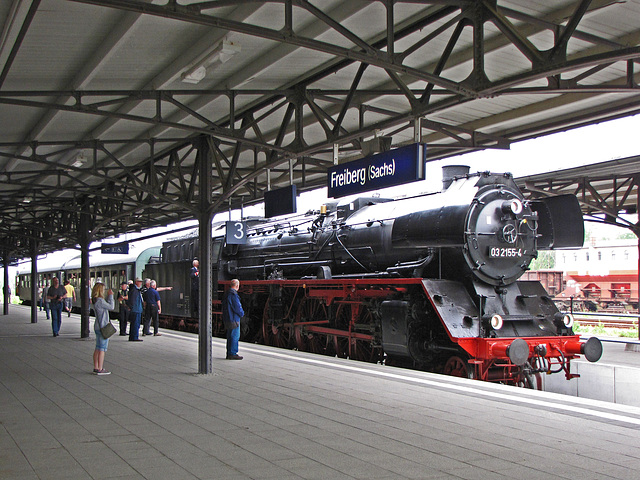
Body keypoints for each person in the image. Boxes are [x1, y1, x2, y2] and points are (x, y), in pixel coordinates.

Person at [92, 282, 115, 375]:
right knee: (102, 348)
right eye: (103, 289)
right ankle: (100, 368)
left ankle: (96, 367)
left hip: (97, 326)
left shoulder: (95, 300)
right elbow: (111, 307)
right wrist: (110, 297)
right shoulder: (100, 301)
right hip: (103, 327)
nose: (105, 291)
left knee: (97, 348)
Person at [222, 279, 244, 360]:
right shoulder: (233, 295)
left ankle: (229, 353)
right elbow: (237, 307)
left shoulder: (227, 293)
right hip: (234, 318)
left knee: (230, 335)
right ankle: (233, 353)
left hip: (228, 317)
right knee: (235, 336)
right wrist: (242, 313)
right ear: (237, 286)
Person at [127, 277, 144, 342]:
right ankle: (134, 337)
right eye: (139, 282)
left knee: (134, 323)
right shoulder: (135, 290)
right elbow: (133, 300)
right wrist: (131, 306)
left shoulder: (134, 289)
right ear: (136, 282)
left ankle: (132, 336)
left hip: (136, 309)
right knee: (135, 324)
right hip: (136, 309)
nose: (140, 283)